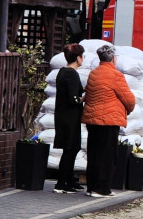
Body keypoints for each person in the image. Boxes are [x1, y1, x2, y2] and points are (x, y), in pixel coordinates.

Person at [81, 45, 136, 197]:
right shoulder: (115, 75)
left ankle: (92, 187)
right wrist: (128, 111)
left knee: (94, 154)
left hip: (92, 121)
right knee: (107, 156)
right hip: (109, 121)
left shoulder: (93, 73)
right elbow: (129, 99)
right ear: (113, 59)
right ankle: (102, 189)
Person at [53, 44, 85, 193]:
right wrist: (83, 97)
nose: (83, 59)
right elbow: (73, 98)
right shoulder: (72, 74)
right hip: (70, 116)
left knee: (71, 148)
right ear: (78, 58)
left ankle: (69, 179)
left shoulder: (62, 71)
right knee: (70, 149)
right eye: (82, 56)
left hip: (62, 115)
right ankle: (61, 183)